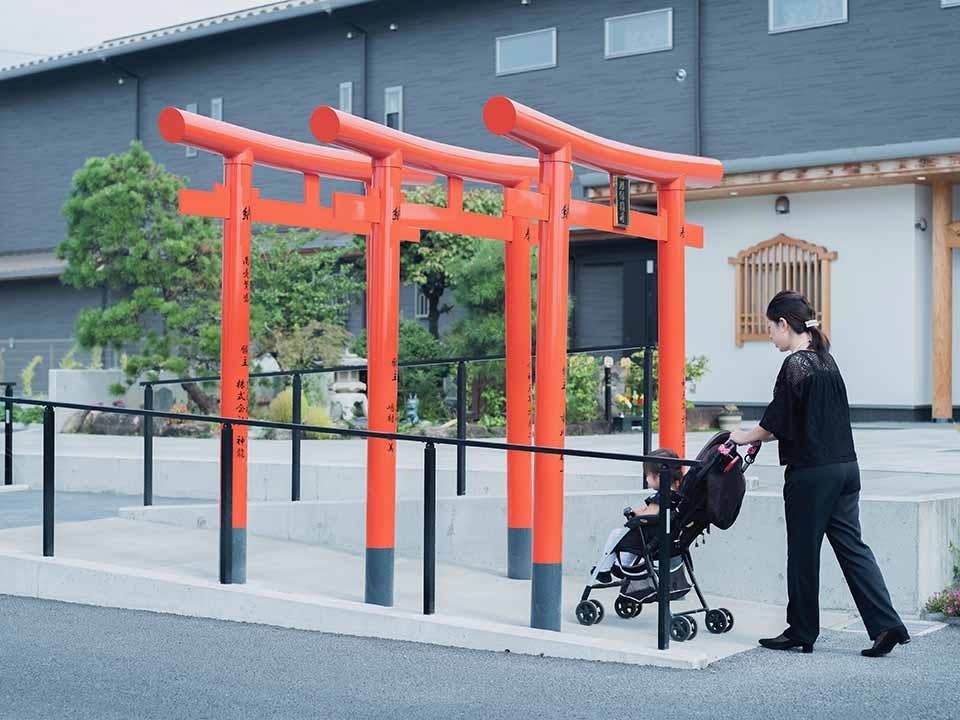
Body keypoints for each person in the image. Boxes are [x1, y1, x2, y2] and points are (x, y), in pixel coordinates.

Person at [729, 290, 909, 657]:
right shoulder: (827, 362)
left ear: (784, 324)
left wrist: (743, 436)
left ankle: (801, 630)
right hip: (846, 468)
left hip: (812, 473)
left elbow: (776, 420)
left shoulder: (796, 364)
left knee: (803, 551)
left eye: (770, 328)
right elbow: (801, 418)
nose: (769, 336)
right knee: (853, 548)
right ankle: (886, 625)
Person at [591, 448, 682, 583]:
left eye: (647, 475)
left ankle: (603, 569)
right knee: (633, 542)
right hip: (666, 537)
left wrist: (634, 516)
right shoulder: (678, 495)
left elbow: (650, 514)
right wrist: (638, 512)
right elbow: (650, 510)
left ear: (659, 476)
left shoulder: (663, 496)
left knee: (617, 535)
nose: (646, 479)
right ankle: (621, 565)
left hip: (652, 537)